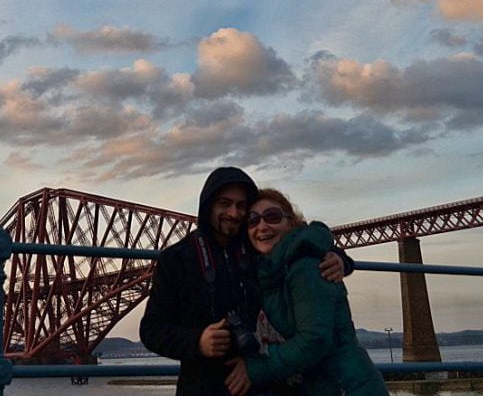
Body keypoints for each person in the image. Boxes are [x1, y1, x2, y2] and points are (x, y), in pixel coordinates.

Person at [140, 167, 353, 395]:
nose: (234, 213)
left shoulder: (255, 247)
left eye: (241, 206)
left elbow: (302, 243)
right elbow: (151, 329)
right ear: (208, 205)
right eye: (225, 203)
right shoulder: (176, 259)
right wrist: (197, 342)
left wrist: (339, 258)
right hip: (202, 388)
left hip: (263, 384)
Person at [224, 188, 388, 396]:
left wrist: (255, 368)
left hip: (345, 386)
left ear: (290, 222)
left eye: (272, 217)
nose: (262, 226)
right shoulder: (270, 269)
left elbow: (314, 340)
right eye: (253, 221)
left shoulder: (306, 266)